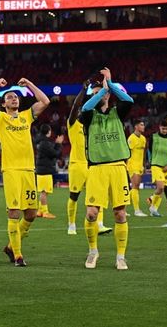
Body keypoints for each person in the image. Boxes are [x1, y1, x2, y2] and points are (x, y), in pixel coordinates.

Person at [0, 77, 50, 267]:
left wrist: (30, 84)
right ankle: (18, 255)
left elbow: (45, 101)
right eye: (10, 97)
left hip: (28, 169)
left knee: (30, 214)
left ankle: (10, 246)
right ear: (3, 103)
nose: (14, 99)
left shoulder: (26, 116)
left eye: (16, 97)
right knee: (13, 212)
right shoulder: (0, 118)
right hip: (11, 170)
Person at [80, 68, 133, 270]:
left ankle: (121, 256)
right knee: (92, 214)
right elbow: (85, 108)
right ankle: (93, 251)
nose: (97, 96)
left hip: (118, 167)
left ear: (109, 94)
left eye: (100, 93)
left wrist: (109, 84)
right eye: (94, 94)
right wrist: (101, 91)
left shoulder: (117, 112)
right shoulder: (88, 116)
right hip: (96, 169)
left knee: (120, 214)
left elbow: (129, 101)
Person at [66, 81, 112, 235]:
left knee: (98, 196)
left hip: (93, 165)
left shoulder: (93, 125)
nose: (81, 113)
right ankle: (71, 224)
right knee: (74, 196)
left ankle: (99, 224)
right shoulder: (73, 124)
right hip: (77, 164)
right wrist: (83, 89)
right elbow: (74, 108)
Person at [146, 119, 167, 217]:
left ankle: (154, 208)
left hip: (166, 167)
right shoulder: (154, 137)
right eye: (163, 129)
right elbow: (149, 150)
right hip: (156, 165)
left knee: (161, 190)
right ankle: (152, 207)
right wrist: (150, 161)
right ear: (159, 127)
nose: (164, 131)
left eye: (166, 129)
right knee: (160, 187)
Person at [35, 124, 64, 219]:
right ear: (48, 131)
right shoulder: (45, 143)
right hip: (45, 170)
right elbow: (55, 154)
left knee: (44, 192)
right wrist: (59, 144)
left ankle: (40, 210)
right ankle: (45, 212)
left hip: (42, 169)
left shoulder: (41, 142)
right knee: (44, 192)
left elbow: (51, 152)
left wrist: (56, 144)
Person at [126, 119, 148, 217]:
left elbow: (143, 153)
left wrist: (144, 165)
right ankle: (137, 210)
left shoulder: (143, 138)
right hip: (132, 164)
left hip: (139, 166)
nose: (143, 126)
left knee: (135, 188)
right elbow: (127, 153)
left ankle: (122, 207)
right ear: (136, 126)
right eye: (141, 125)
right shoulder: (131, 138)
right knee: (135, 186)